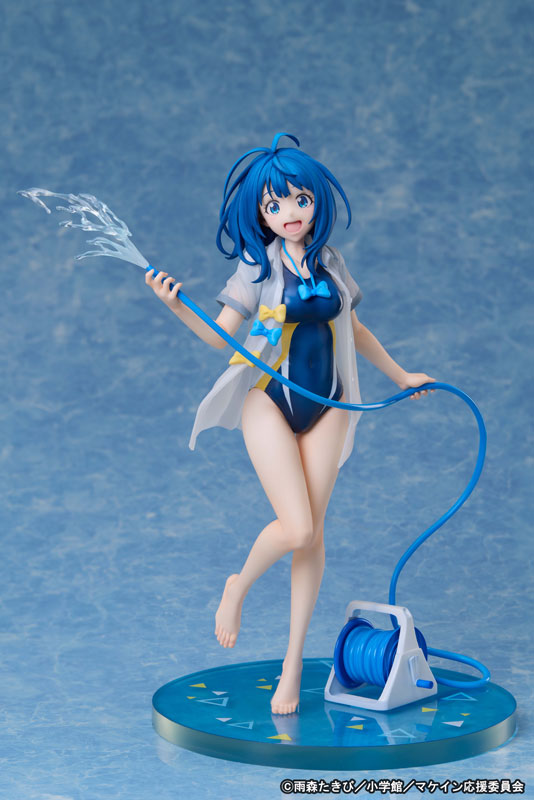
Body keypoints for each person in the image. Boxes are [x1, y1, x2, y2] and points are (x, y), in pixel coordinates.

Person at [146, 133, 434, 715]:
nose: (290, 213)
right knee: (297, 529)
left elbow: (354, 329)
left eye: (300, 199)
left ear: (316, 200)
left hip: (328, 403)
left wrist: (401, 375)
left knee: (314, 534)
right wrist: (176, 305)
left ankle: (293, 663)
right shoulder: (257, 267)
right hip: (271, 402)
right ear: (261, 214)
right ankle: (238, 584)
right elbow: (222, 338)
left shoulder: (331, 261)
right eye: (274, 205)